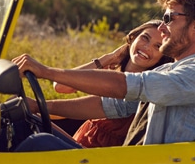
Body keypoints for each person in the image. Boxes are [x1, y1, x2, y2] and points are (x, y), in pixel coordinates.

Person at [12, 0, 195, 150]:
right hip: (129, 163)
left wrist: (46, 71)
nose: (161, 27)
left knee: (38, 145)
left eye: (169, 18)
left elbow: (126, 85)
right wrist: (37, 106)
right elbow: (109, 106)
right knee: (19, 123)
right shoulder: (169, 72)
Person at [53, 20, 172, 148]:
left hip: (99, 154)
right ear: (133, 38)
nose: (147, 47)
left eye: (158, 46)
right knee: (31, 121)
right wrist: (108, 58)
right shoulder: (112, 71)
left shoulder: (143, 85)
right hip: (82, 138)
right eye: (145, 38)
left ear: (163, 56)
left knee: (37, 133)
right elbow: (61, 86)